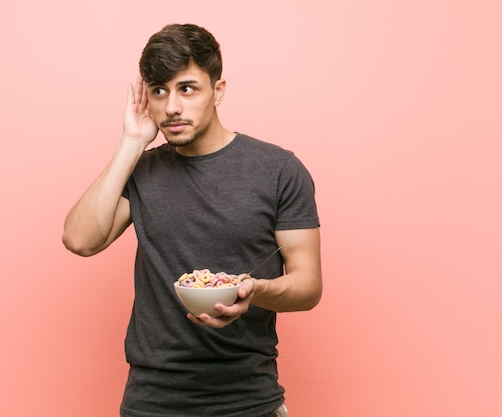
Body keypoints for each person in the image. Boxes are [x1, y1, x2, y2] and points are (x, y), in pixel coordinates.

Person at [62, 23, 322, 417]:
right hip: (153, 400)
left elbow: (308, 285)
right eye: (158, 91)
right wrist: (132, 143)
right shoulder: (142, 169)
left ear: (217, 91)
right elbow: (80, 239)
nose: (171, 108)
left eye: (186, 88)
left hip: (248, 400)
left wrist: (255, 291)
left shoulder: (278, 169)